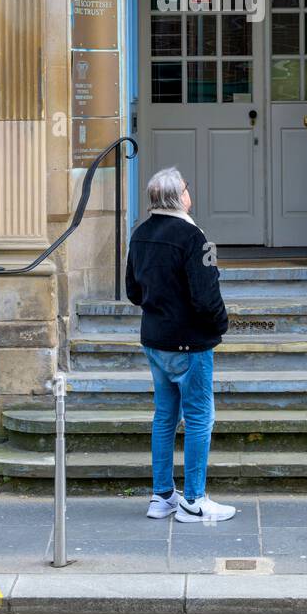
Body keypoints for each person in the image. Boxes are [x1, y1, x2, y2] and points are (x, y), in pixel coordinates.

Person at [125, 167, 235, 522]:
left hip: (155, 340)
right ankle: (194, 500)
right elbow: (206, 296)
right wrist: (221, 324)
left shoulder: (139, 234)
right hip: (190, 342)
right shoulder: (195, 237)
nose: (190, 192)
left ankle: (162, 497)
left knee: (164, 417)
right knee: (201, 418)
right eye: (186, 187)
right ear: (178, 196)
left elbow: (133, 291)